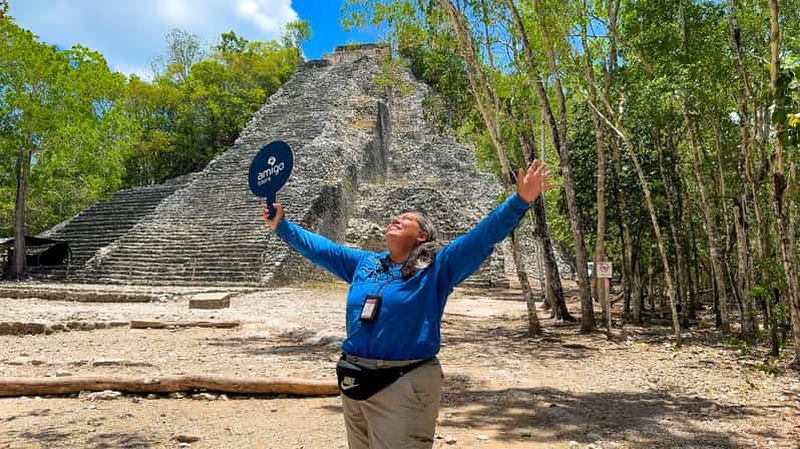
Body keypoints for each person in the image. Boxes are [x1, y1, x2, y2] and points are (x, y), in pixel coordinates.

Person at [261, 160, 552, 449]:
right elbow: (321, 249)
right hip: (355, 380)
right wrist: (282, 226)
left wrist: (520, 200)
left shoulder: (438, 267)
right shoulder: (366, 264)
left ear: (422, 236)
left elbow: (482, 236)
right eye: (394, 218)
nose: (395, 219)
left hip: (403, 383)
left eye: (406, 219)